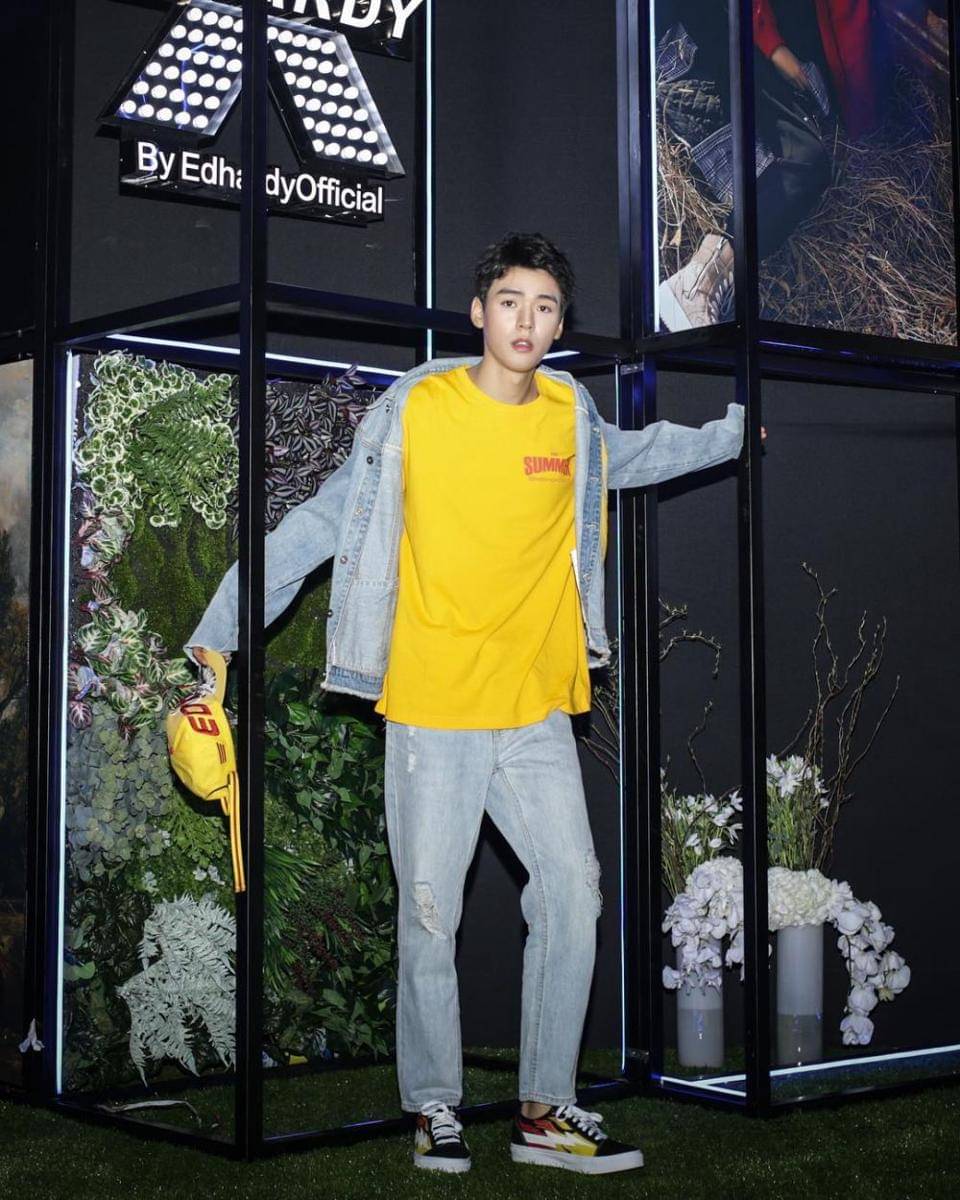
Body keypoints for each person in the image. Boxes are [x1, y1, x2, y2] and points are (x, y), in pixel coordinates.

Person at [183, 232, 764, 1175]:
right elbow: (322, 524)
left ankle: (544, 1109)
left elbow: (637, 454)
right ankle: (435, 1106)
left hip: (535, 710)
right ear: (479, 312)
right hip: (433, 711)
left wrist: (734, 434)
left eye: (545, 306)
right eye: (510, 302)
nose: (526, 321)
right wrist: (220, 635)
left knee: (573, 893)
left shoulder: (570, 415)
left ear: (560, 325)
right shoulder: (418, 410)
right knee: (431, 915)